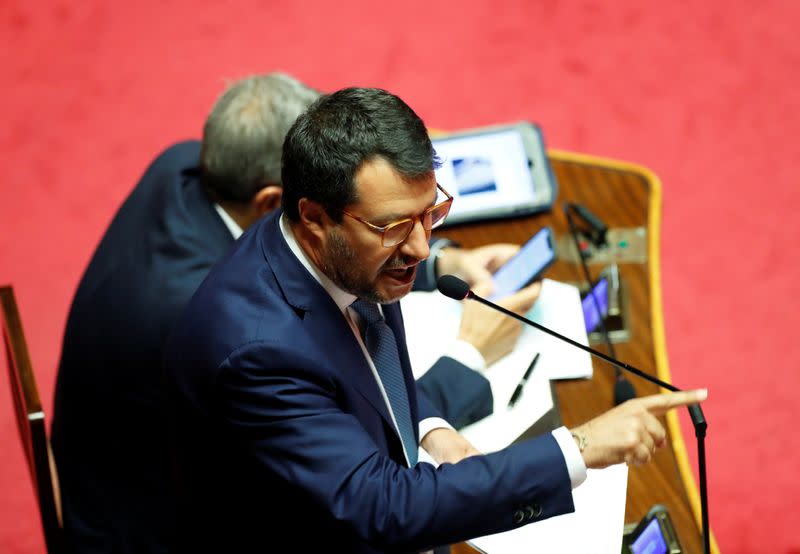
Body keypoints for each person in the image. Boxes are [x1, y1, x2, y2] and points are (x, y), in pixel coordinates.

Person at [163, 87, 707, 553]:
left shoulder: (343, 256)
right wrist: (580, 448)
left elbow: (371, 374)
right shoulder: (258, 352)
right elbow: (382, 507)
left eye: (431, 213)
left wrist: (430, 430)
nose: (421, 246)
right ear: (313, 217)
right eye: (396, 226)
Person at [50, 73, 535, 553]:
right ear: (289, 206)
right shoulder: (219, 317)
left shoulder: (184, 165)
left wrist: (437, 263)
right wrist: (469, 356)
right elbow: (356, 433)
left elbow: (338, 254)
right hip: (165, 528)